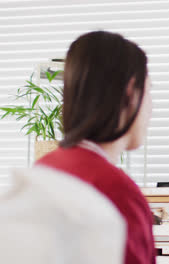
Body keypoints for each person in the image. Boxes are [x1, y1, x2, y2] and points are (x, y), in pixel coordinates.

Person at [36, 30, 155, 264]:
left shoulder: (42, 170)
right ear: (130, 93)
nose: (152, 107)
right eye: (149, 90)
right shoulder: (117, 193)